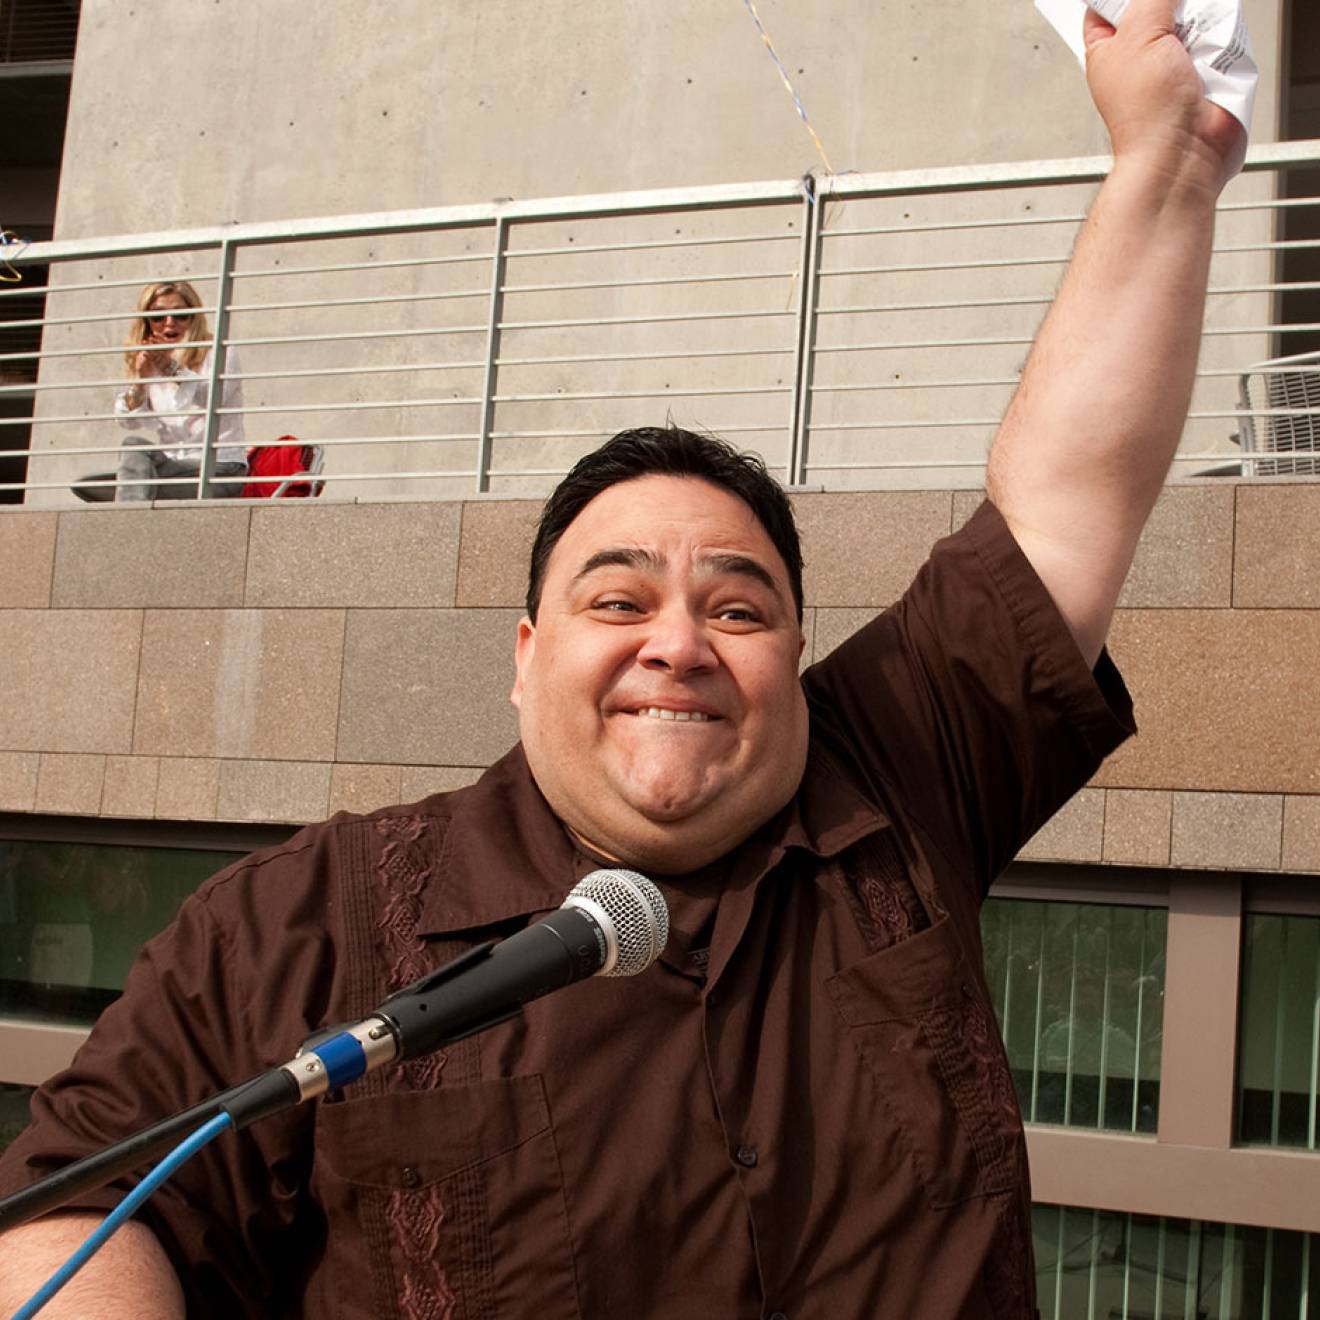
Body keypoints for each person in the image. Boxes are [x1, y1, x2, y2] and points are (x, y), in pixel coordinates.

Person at [0, 2, 1245, 1315]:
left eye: (740, 607)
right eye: (618, 598)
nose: (679, 643)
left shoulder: (897, 773)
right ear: (525, 659)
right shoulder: (287, 931)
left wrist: (1163, 156)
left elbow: (1063, 503)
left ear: (797, 659)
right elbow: (76, 1219)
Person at [112, 280, 247, 501]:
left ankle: (126, 524)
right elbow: (127, 421)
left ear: (193, 317)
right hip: (174, 466)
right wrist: (140, 381)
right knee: (132, 449)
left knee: (132, 487)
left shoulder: (219, 351)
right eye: (158, 317)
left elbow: (213, 397)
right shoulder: (147, 359)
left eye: (180, 315)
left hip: (221, 467)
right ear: (146, 322)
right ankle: (129, 519)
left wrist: (170, 367)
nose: (169, 323)